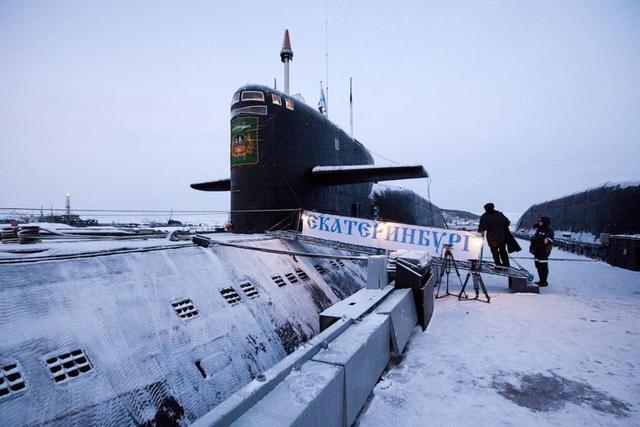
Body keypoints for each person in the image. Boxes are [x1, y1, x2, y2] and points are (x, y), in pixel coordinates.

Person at [478, 203, 511, 267]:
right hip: (500, 236)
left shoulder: (484, 216)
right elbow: (507, 222)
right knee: (503, 251)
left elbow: (481, 228)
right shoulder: (499, 214)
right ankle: (506, 265)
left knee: (494, 252)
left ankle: (498, 265)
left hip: (491, 238)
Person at [530, 216, 554, 286]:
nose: (539, 223)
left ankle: (544, 281)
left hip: (543, 251)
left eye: (541, 222)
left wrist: (538, 240)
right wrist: (532, 246)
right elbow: (535, 238)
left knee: (543, 266)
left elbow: (548, 241)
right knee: (538, 265)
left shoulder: (549, 230)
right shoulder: (539, 229)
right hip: (537, 251)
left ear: (545, 222)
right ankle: (541, 280)